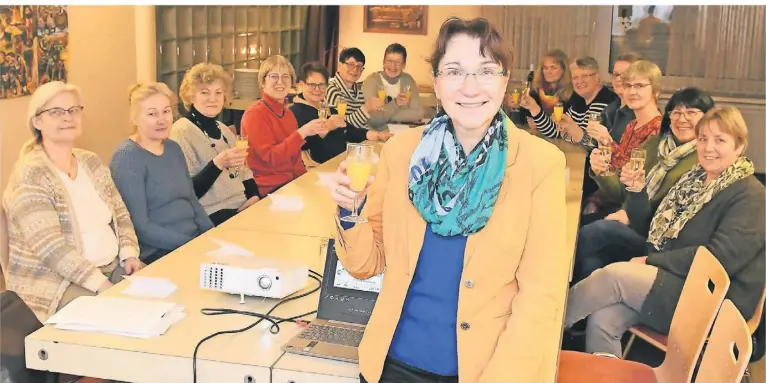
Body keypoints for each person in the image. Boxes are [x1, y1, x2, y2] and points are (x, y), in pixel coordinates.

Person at [329, 17, 568, 383]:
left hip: (484, 369)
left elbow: (541, 297)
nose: (470, 88)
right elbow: (366, 264)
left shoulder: (540, 164)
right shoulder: (401, 153)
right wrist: (350, 210)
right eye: (454, 71)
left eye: (486, 71)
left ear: (505, 82)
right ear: (437, 84)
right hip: (392, 364)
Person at [565, 106, 765, 357]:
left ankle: (544, 329)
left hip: (715, 299)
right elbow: (649, 228)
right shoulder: (694, 180)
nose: (708, 147)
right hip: (676, 279)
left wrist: (651, 260)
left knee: (614, 275)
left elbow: (717, 261)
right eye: (703, 139)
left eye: (720, 140)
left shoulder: (752, 196)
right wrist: (637, 191)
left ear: (739, 146)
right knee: (603, 319)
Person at [3, 81, 141, 321]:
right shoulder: (31, 174)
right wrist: (100, 284)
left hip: (112, 267)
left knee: (164, 301)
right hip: (55, 283)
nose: (67, 117)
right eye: (55, 112)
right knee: (123, 320)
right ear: (37, 123)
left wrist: (129, 253)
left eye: (73, 110)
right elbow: (51, 248)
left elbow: (120, 213)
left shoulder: (91, 162)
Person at [572, 87, 715, 283]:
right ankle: (578, 309)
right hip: (635, 221)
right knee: (591, 260)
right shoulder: (655, 144)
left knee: (599, 231)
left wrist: (628, 213)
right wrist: (603, 172)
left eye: (691, 113)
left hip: (657, 240)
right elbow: (623, 192)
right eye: (677, 112)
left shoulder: (705, 159)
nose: (682, 119)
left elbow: (664, 218)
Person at [110, 82, 214, 264]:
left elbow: (191, 199)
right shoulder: (127, 157)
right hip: (158, 253)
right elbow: (140, 226)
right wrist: (193, 245)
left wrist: (212, 236)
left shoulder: (173, 148)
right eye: (152, 114)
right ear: (135, 118)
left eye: (166, 111)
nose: (162, 120)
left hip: (193, 242)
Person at [170, 63, 260, 226]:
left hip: (244, 206)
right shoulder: (181, 131)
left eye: (218, 92)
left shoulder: (224, 130)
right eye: (205, 92)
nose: (213, 98)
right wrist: (217, 164)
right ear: (191, 97)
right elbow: (188, 192)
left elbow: (245, 173)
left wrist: (254, 197)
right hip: (212, 214)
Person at [581, 60, 663, 223]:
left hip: (631, 213)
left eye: (639, 86)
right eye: (628, 86)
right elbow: (617, 177)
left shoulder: (658, 130)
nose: (632, 92)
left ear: (655, 91)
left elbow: (628, 187)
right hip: (614, 200)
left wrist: (606, 143)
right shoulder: (632, 125)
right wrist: (600, 169)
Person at [241, 55, 316, 196]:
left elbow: (295, 160)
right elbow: (270, 158)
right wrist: (301, 133)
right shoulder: (255, 115)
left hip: (290, 184)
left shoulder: (288, 114)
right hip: (266, 189)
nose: (280, 81)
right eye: (274, 76)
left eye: (285, 76)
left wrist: (306, 181)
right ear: (263, 82)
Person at [290, 61, 391, 165]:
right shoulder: (294, 112)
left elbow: (349, 131)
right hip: (318, 169)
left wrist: (377, 135)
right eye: (312, 85)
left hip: (340, 163)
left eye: (322, 85)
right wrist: (327, 127)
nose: (317, 89)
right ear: (302, 84)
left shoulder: (326, 108)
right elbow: (300, 145)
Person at [361, 43, 425, 130]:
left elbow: (418, 113)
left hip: (403, 133)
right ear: (383, 62)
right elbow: (373, 119)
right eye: (389, 61)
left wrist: (385, 115)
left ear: (404, 65)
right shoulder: (372, 80)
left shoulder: (408, 80)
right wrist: (396, 104)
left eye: (397, 62)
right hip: (377, 134)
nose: (393, 66)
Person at [326, 47, 384, 129]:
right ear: (339, 66)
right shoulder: (331, 89)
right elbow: (342, 126)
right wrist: (366, 108)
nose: (355, 69)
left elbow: (363, 122)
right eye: (350, 65)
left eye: (359, 66)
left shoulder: (359, 91)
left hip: (363, 137)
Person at [511, 49, 573, 123]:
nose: (548, 72)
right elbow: (521, 121)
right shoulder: (536, 92)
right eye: (545, 68)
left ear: (564, 70)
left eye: (553, 68)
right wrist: (516, 108)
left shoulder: (571, 94)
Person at [599, 52, 642, 142]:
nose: (618, 79)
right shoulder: (609, 109)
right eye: (616, 74)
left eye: (625, 74)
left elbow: (633, 153)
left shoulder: (640, 114)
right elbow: (594, 144)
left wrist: (606, 140)